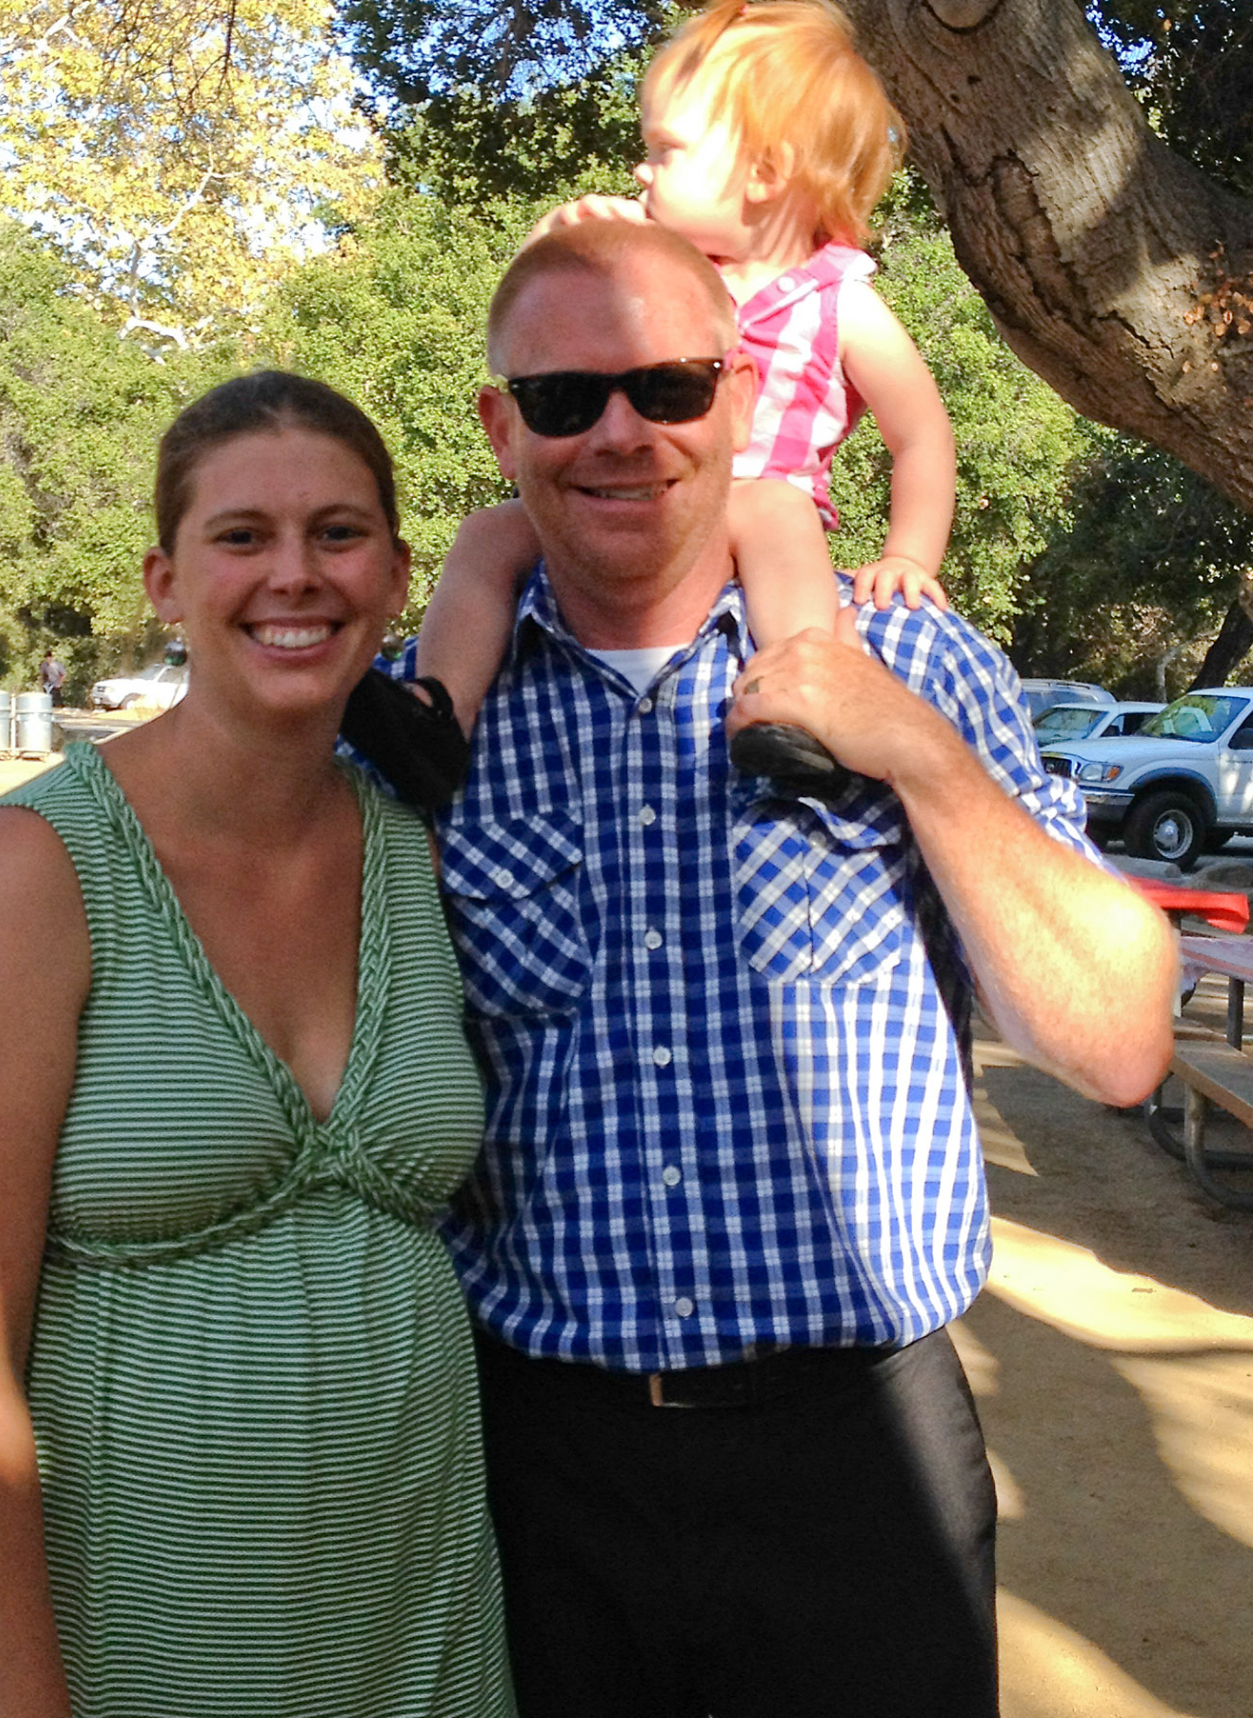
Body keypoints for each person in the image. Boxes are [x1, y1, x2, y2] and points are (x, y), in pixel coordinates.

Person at [416, 218, 1175, 1718]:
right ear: (503, 429)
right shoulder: (430, 726)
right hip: (537, 1472)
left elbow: (1116, 1042)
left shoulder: (917, 669)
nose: (621, 433)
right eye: (565, 399)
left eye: (669, 387)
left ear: (744, 399)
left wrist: (921, 761)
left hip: (861, 1466)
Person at [0, 372, 514, 1718]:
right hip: (118, 1657)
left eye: (338, 533)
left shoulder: (414, 850)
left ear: (394, 575)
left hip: (413, 1639)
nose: (296, 574)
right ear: (166, 583)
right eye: (243, 536)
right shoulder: (38, 868)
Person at [416, 0, 956, 796]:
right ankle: (436, 715)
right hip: (641, 504)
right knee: (487, 536)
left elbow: (921, 434)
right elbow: (541, 323)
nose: (642, 170)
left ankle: (800, 702)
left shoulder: (839, 302)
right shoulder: (661, 271)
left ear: (765, 173)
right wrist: (559, 242)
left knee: (774, 512)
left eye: (666, 150)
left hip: (758, 511)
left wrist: (908, 554)